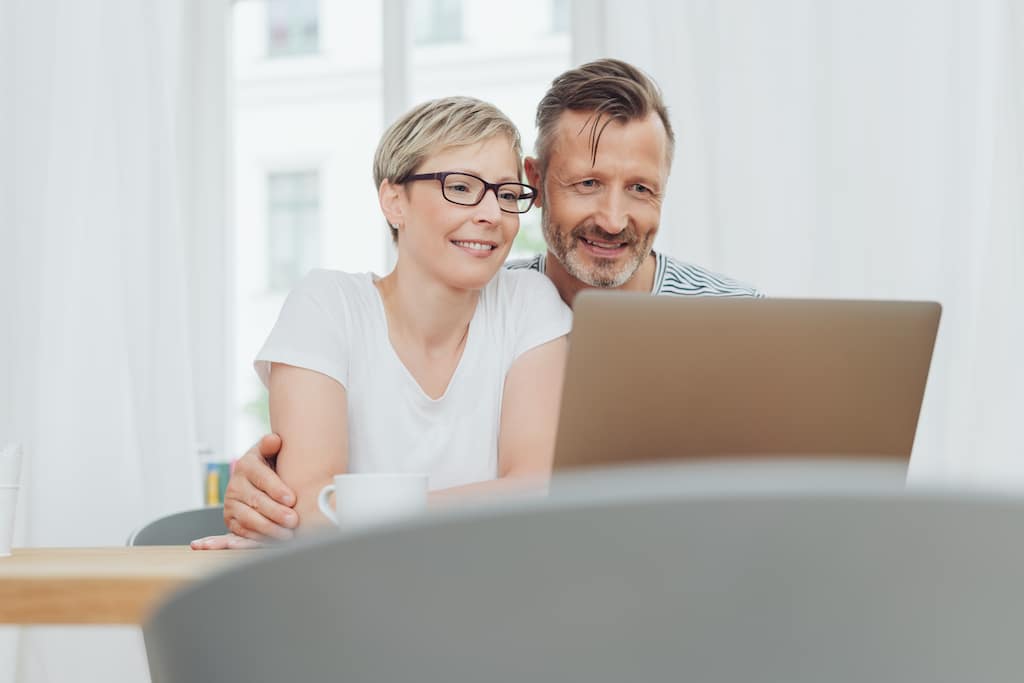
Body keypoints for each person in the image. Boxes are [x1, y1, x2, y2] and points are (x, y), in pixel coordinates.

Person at [193, 58, 760, 550]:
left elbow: (532, 490)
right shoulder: (499, 289)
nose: (613, 218)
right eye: (587, 183)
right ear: (539, 186)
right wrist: (279, 489)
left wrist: (345, 507)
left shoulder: (740, 322)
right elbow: (307, 506)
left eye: (640, 188)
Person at [195, 96, 571, 546]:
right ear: (394, 201)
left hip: (490, 593)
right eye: (462, 188)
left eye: (507, 195)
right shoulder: (327, 307)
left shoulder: (529, 304)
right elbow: (311, 509)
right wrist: (488, 504)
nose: (492, 214)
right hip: (349, 600)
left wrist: (360, 514)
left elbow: (537, 494)